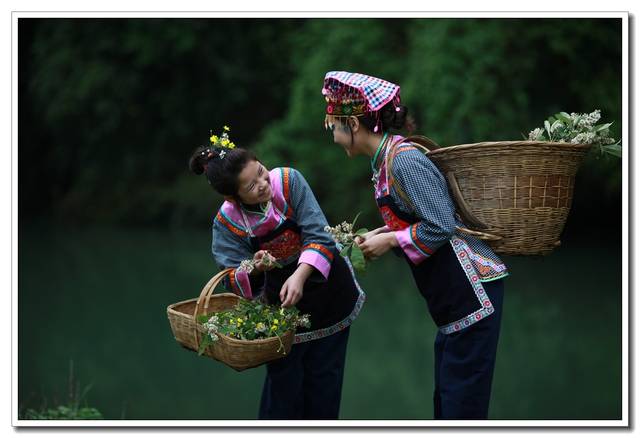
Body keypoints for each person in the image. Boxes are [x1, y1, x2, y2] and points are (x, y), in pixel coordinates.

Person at [320, 71, 509, 420]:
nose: (332, 133)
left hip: (472, 290)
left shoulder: (403, 160)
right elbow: (412, 218)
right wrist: (380, 234)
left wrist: (392, 239)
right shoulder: (384, 162)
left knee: (461, 407)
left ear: (353, 124)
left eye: (333, 124)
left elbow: (441, 224)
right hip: (452, 298)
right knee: (446, 400)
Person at [189, 126, 365, 420]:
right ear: (233, 198)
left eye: (260, 171)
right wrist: (255, 267)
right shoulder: (227, 222)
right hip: (281, 311)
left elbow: (318, 235)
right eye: (250, 185)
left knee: (326, 385)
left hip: (328, 293)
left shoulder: (289, 181)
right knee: (283, 391)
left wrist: (299, 274)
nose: (262, 183)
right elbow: (232, 277)